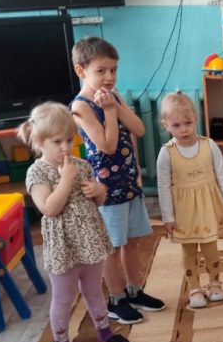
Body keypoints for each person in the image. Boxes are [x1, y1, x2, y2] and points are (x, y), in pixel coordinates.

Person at [19, 102, 131, 342]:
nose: (65, 147)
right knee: (63, 298)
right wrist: (66, 180)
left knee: (94, 290)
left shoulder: (81, 165)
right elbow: (49, 208)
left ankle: (104, 330)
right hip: (64, 247)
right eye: (57, 142)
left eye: (69, 140)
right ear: (39, 141)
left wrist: (99, 190)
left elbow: (97, 201)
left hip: (90, 241)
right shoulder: (37, 172)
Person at [70, 36, 165, 325]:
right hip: (106, 191)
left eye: (113, 70)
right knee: (111, 247)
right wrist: (110, 112)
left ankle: (134, 291)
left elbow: (139, 129)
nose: (109, 76)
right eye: (101, 71)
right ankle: (115, 299)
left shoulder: (115, 96)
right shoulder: (81, 106)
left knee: (131, 241)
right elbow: (107, 146)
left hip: (129, 184)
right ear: (81, 70)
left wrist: (116, 105)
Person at [156, 91, 223, 309]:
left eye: (188, 123)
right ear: (166, 125)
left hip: (209, 207)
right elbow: (163, 187)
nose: (183, 129)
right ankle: (194, 287)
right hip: (184, 212)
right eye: (176, 125)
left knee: (211, 247)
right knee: (189, 251)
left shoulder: (209, 145)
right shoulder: (166, 153)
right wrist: (168, 217)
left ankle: (215, 283)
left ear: (196, 118)